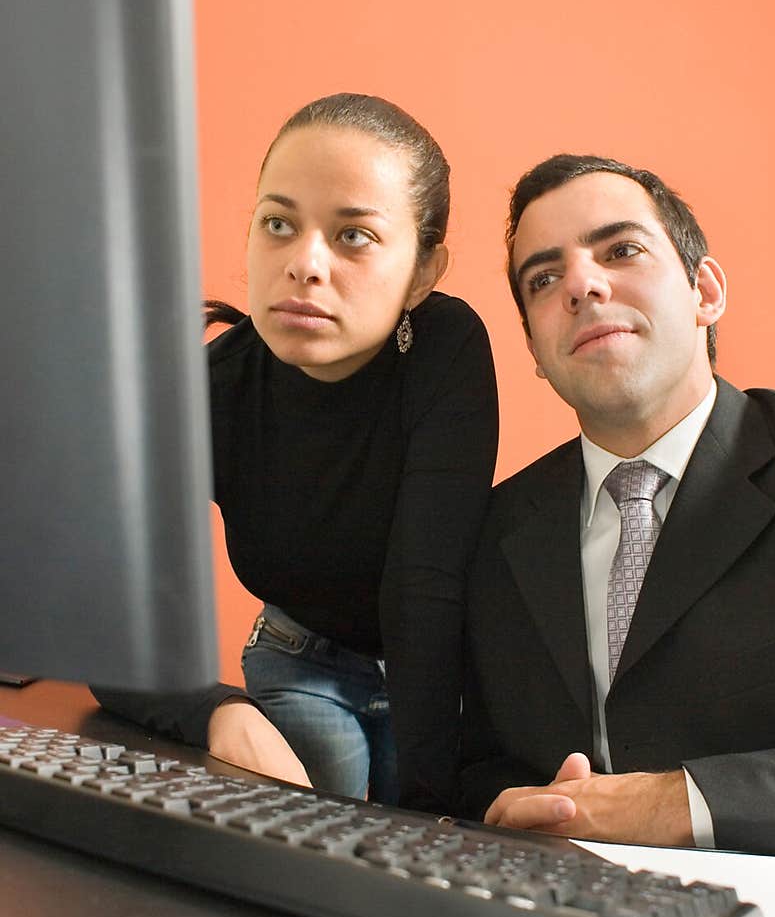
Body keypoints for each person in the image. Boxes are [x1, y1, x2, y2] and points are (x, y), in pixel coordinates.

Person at [456, 152, 775, 865]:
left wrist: (683, 801)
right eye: (545, 277)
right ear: (533, 348)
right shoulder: (496, 529)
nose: (583, 286)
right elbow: (480, 766)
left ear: (705, 290)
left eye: (621, 250)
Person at [93, 93, 498, 811]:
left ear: (424, 271)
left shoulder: (446, 349)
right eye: (279, 224)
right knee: (318, 796)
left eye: (354, 237)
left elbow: (424, 590)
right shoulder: (211, 390)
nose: (305, 263)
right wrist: (223, 712)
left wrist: (434, 818)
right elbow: (106, 624)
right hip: (300, 661)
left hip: (439, 668)